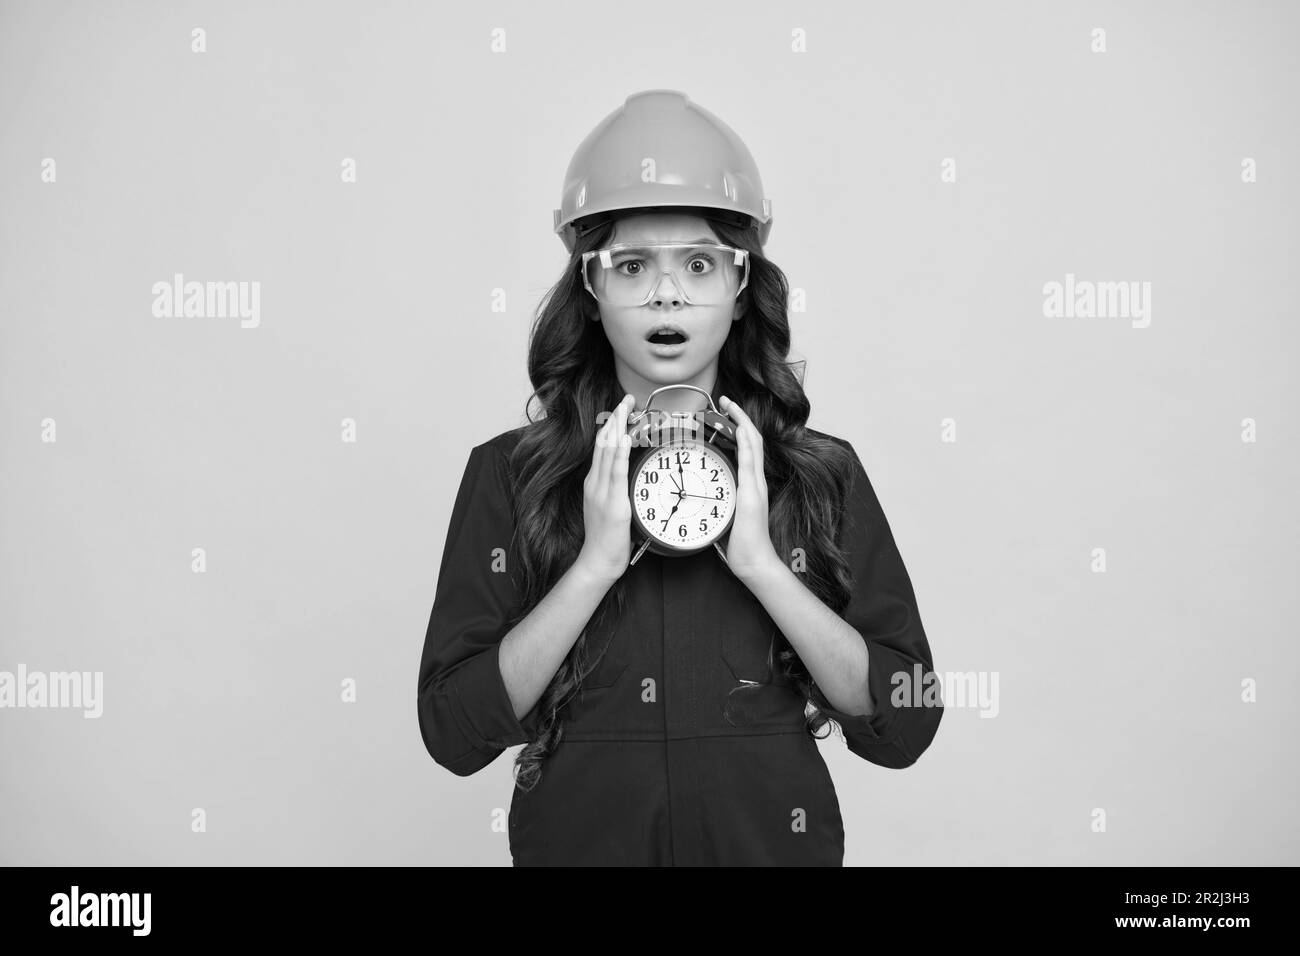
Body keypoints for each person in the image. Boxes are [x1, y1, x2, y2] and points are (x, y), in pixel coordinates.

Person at [417, 90, 942, 866]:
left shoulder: (818, 473)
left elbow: (909, 720)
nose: (667, 293)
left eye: (698, 264)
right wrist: (591, 569)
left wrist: (765, 570)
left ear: (739, 284)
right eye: (633, 266)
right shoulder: (508, 474)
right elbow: (452, 735)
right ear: (591, 290)